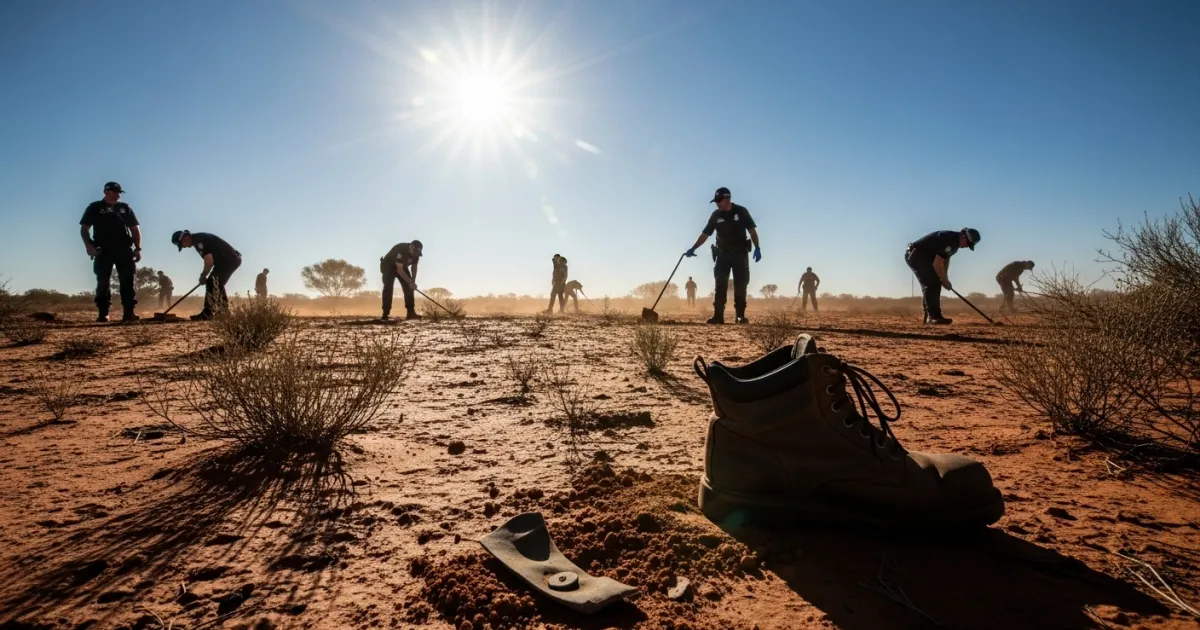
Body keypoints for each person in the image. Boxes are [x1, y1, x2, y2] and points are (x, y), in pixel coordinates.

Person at [684, 187, 761, 324]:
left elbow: (752, 231)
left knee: (740, 285)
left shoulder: (741, 211)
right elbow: (705, 234)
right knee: (720, 285)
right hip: (722, 255)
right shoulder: (716, 215)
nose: (717, 204)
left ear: (727, 199)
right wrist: (693, 248)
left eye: (719, 200)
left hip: (740, 254)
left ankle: (740, 316)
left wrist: (757, 247)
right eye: (716, 201)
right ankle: (718, 316)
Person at [80, 182, 142, 322]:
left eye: (119, 192)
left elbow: (134, 229)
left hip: (124, 249)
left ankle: (128, 313)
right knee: (103, 281)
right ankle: (103, 313)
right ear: (106, 192)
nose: (117, 194)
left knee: (127, 280)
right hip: (103, 250)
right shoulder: (94, 207)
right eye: (114, 192)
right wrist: (89, 246)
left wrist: (138, 248)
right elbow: (84, 229)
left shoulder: (125, 208)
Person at [905, 228, 981, 325]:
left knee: (935, 282)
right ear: (963, 237)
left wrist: (945, 278)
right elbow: (937, 264)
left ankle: (932, 315)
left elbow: (945, 259)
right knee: (931, 283)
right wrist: (944, 280)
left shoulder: (955, 244)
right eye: (967, 243)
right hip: (916, 255)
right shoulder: (949, 239)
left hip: (926, 257)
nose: (966, 246)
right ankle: (932, 317)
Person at [171, 230, 242, 320]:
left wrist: (203, 275)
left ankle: (213, 313)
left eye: (182, 244)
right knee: (214, 283)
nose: (184, 247)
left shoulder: (199, 241)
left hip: (229, 259)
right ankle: (218, 312)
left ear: (185, 238)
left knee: (214, 282)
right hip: (226, 260)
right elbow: (210, 260)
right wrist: (204, 276)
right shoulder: (198, 240)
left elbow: (209, 261)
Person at [380, 240, 423, 321]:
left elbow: (414, 267)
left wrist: (412, 281)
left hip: (402, 266)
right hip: (388, 267)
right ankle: (385, 314)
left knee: (409, 288)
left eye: (416, 253)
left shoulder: (416, 254)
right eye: (414, 252)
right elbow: (399, 270)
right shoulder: (400, 250)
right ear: (410, 247)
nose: (415, 254)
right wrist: (410, 282)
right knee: (388, 288)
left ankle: (410, 313)